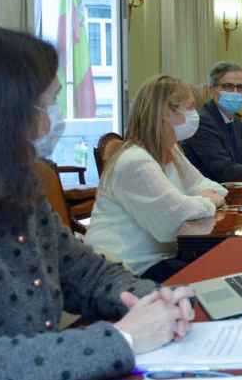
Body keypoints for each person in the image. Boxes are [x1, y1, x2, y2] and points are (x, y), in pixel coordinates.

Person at [0, 25, 194, 380]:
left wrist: (157, 301)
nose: (49, 123)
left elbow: (87, 274)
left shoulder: (16, 187)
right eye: (41, 108)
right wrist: (125, 338)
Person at [87, 75, 229, 283]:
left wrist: (199, 199)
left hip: (160, 259)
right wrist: (208, 201)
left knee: (221, 271)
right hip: (125, 270)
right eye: (189, 108)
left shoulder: (172, 150)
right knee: (213, 280)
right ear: (164, 113)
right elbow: (173, 219)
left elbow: (206, 186)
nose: (194, 115)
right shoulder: (135, 161)